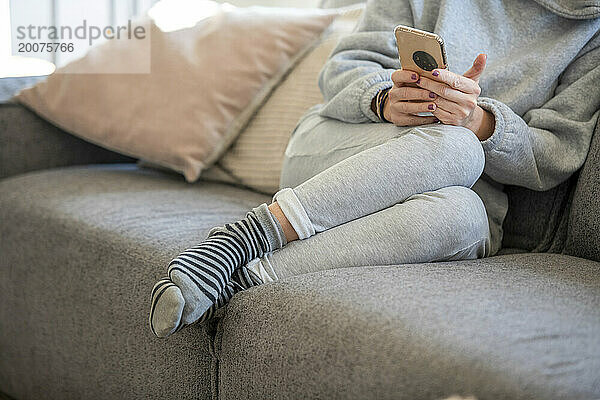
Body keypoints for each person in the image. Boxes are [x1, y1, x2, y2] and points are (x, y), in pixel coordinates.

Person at [149, 0, 600, 338]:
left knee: (466, 215)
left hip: (459, 194)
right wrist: (384, 98)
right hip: (340, 150)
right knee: (458, 147)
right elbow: (344, 66)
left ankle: (237, 285)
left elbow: (555, 153)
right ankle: (245, 238)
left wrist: (478, 121)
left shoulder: (593, 31)